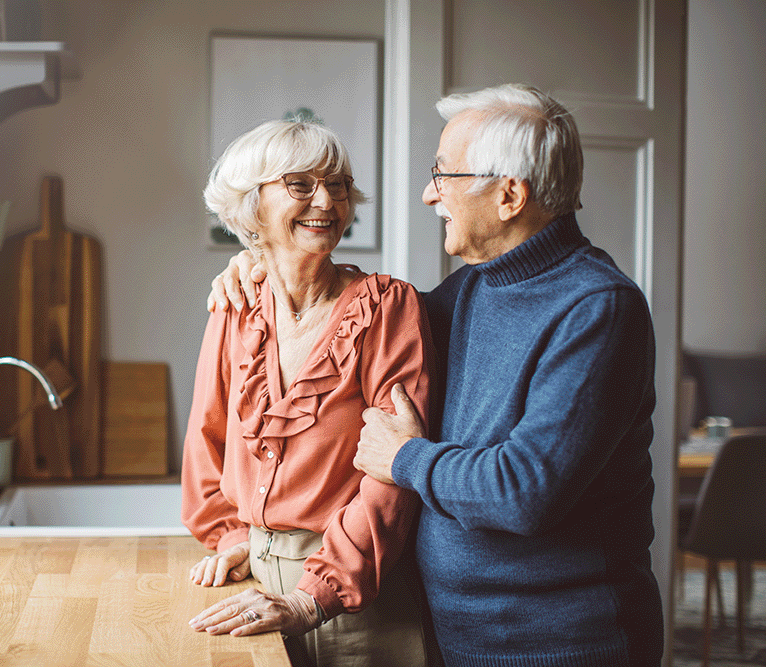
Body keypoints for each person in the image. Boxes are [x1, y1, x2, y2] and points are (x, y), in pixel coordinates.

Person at [208, 84, 664, 667]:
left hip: (562, 645)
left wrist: (405, 458)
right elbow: (356, 321)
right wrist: (261, 260)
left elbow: (526, 491)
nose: (429, 194)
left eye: (444, 176)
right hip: (456, 633)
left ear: (509, 195)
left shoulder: (599, 308)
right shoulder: (472, 288)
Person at [182, 119, 437, 667]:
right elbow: (208, 438)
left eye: (338, 184)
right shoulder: (235, 305)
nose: (327, 200)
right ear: (251, 206)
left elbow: (392, 475)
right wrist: (232, 537)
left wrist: (311, 595)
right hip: (247, 589)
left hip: (358, 604)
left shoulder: (388, 309)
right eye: (300, 184)